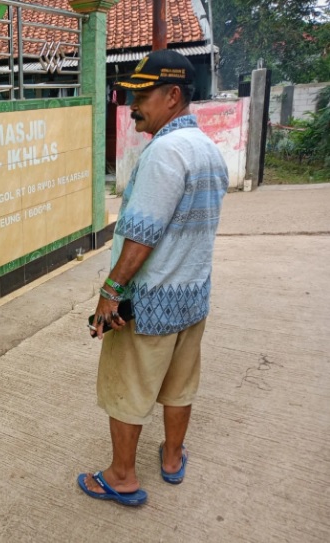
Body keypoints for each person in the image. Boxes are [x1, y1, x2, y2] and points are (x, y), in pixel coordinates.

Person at [76, 50, 229, 506]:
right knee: (180, 383)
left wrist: (110, 294)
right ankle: (172, 455)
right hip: (192, 296)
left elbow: (141, 236)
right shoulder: (207, 149)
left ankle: (122, 475)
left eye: (141, 95)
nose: (131, 104)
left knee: (126, 388)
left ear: (174, 96)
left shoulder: (164, 152)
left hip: (149, 302)